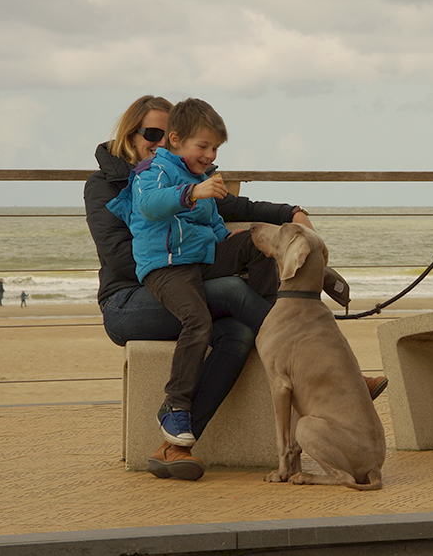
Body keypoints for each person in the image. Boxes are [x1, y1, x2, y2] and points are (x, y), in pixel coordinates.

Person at [85, 95, 384, 481]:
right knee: (230, 291)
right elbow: (121, 259)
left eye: (166, 135)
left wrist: (289, 214)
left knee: (241, 327)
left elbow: (238, 207)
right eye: (152, 134)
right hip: (131, 299)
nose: (159, 143)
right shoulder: (107, 185)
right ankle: (328, 369)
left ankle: (176, 445)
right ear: (131, 133)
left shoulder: (189, 172)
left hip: (189, 279)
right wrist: (202, 249)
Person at [106, 98, 283, 454]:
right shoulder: (151, 170)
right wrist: (191, 193)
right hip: (166, 267)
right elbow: (150, 205)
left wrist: (231, 239)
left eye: (214, 147)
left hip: (200, 257)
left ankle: (273, 317)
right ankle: (175, 405)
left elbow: (213, 221)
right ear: (175, 140)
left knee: (261, 242)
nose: (209, 154)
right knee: (197, 320)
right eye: (202, 146)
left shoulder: (199, 176)